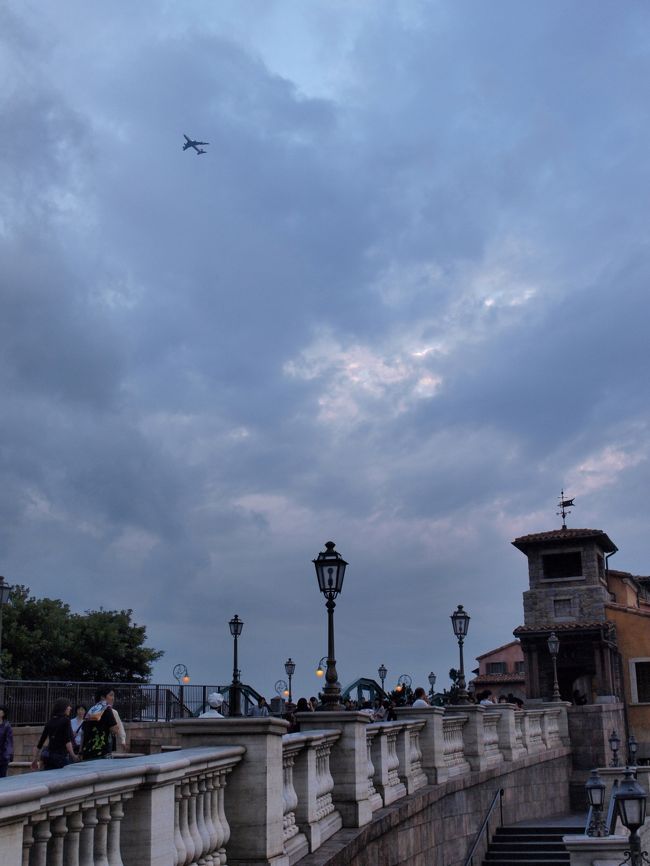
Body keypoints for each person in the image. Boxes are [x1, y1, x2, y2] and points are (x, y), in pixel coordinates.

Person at [32, 698, 78, 770]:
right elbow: (67, 741)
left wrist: (34, 760)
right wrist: (73, 755)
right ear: (64, 707)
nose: (70, 708)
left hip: (49, 758)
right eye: (69, 706)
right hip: (60, 757)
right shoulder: (66, 721)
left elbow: (40, 743)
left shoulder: (50, 722)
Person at [81, 686, 119, 761]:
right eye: (111, 695)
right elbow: (115, 729)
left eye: (113, 695)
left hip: (87, 751)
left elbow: (83, 733)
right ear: (102, 697)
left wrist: (80, 752)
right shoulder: (107, 709)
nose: (113, 698)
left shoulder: (91, 710)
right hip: (101, 752)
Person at [0, 706, 13, 778]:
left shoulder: (7, 726)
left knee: (2, 778)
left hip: (2, 757)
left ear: (3, 714)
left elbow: (9, 742)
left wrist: (8, 754)